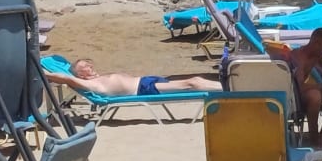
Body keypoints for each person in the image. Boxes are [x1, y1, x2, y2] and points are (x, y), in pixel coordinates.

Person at [45, 59, 219, 98]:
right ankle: (229, 89)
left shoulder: (97, 78)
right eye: (85, 65)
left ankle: (228, 86)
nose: (90, 65)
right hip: (143, 89)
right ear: (80, 74)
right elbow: (65, 78)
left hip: (147, 81)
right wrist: (43, 73)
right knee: (192, 83)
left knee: (195, 81)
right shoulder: (89, 83)